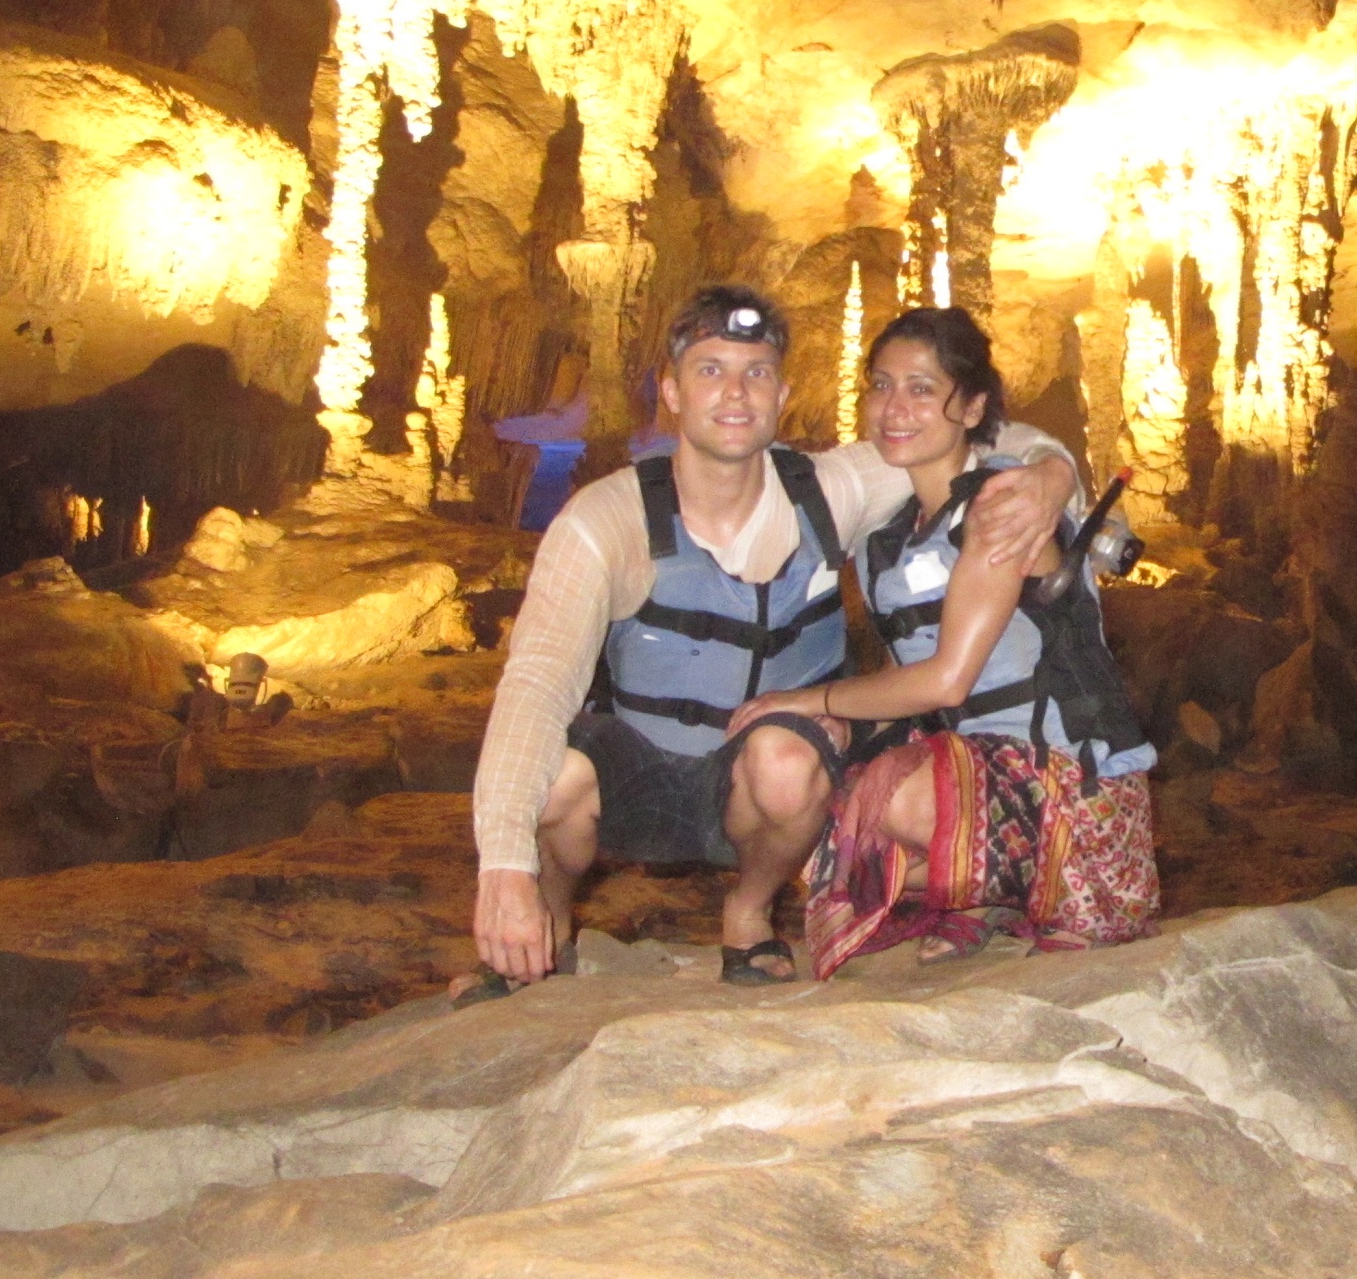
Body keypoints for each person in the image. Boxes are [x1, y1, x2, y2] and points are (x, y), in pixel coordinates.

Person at [467, 285, 1081, 988]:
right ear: (671, 391)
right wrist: (502, 867)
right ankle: (542, 930)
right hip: (639, 772)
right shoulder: (605, 519)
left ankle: (749, 911)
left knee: (785, 760)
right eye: (710, 370)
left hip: (771, 788)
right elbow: (536, 686)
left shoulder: (830, 490)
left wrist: (1052, 474)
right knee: (553, 776)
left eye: (756, 372)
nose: (735, 393)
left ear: (782, 394)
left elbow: (971, 432)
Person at [728, 307, 1158, 976]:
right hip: (975, 773)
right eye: (881, 385)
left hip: (1070, 782)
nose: (894, 407)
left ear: (973, 407)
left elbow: (946, 680)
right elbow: (907, 687)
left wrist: (811, 699)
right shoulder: (886, 542)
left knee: (888, 801)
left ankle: (1045, 892)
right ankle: (980, 897)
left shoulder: (1006, 506)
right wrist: (833, 737)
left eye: (922, 388)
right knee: (805, 807)